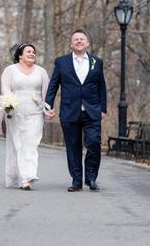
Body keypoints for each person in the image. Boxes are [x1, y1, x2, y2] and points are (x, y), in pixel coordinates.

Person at [45, 29, 107, 192]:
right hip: (69, 111)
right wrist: (48, 106)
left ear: (87, 43)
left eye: (82, 39)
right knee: (73, 147)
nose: (79, 41)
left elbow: (102, 86)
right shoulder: (61, 62)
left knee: (94, 143)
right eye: (76, 39)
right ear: (71, 44)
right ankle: (77, 181)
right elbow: (53, 85)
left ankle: (91, 178)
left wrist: (103, 108)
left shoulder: (97, 62)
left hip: (92, 111)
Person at [0, 44, 49, 190]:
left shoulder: (41, 72)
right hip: (16, 112)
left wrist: (47, 109)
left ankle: (29, 176)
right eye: (28, 51)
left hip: (35, 111)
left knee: (32, 143)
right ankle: (24, 178)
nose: (32, 53)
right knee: (19, 144)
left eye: (33, 51)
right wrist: (9, 105)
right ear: (20, 55)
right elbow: (5, 89)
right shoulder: (10, 70)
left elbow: (46, 92)